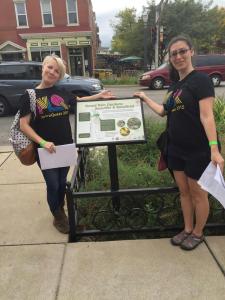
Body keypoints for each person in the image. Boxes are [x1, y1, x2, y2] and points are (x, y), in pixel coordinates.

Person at [134, 35, 224, 250]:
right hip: (175, 149)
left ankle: (198, 233)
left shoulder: (200, 80)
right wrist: (145, 98)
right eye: (174, 53)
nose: (178, 56)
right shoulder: (174, 86)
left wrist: (214, 149)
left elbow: (207, 116)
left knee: (198, 193)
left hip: (198, 149)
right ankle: (187, 229)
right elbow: (164, 112)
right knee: (183, 192)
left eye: (182, 51)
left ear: (191, 52)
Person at [19, 54, 115, 234]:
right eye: (50, 68)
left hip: (65, 146)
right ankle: (58, 215)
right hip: (45, 149)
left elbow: (79, 101)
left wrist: (100, 95)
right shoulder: (30, 95)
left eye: (57, 71)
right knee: (53, 183)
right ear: (43, 68)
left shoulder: (62, 92)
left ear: (59, 76)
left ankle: (59, 209)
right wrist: (42, 142)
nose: (52, 72)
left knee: (62, 182)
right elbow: (23, 125)